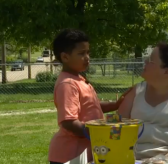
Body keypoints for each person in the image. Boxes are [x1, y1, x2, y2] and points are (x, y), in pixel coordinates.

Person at [48, 29, 130, 164]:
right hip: (69, 156)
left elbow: (91, 107)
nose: (87, 57)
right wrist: (99, 133)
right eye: (81, 53)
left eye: (88, 52)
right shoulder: (68, 84)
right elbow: (68, 122)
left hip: (86, 153)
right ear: (65, 57)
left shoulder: (79, 79)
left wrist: (115, 104)